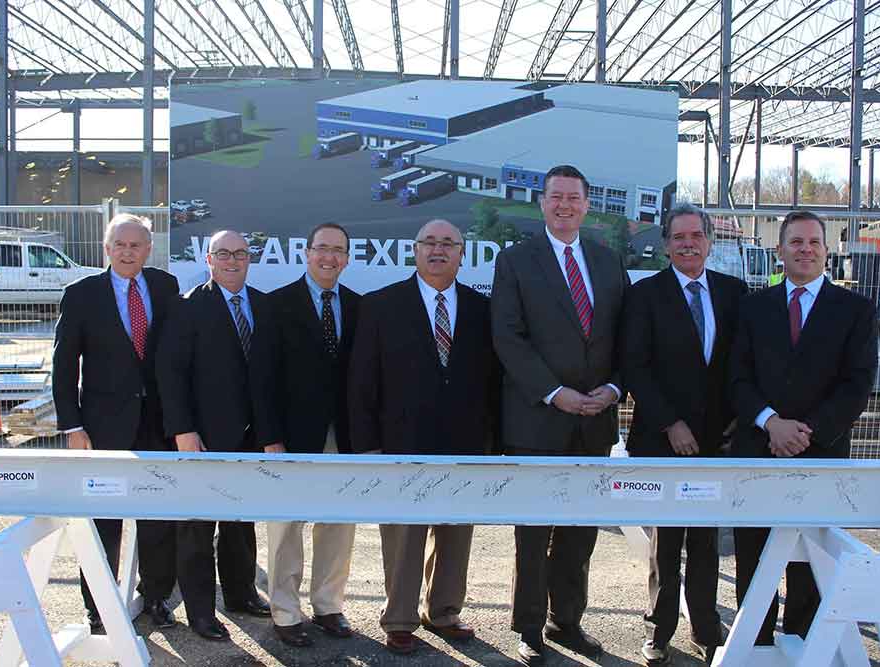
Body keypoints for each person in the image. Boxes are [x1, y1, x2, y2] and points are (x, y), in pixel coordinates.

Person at [490, 164, 629, 666]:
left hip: (595, 420)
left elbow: (624, 338)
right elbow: (508, 336)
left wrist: (613, 389)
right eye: (555, 197)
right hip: (538, 420)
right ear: (542, 203)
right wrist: (554, 392)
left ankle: (566, 621)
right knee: (533, 533)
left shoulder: (609, 262)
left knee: (580, 531)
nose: (565, 205)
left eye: (574, 197)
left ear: (587, 204)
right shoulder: (516, 261)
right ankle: (529, 628)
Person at [348, 219, 500, 655]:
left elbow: (492, 381)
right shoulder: (381, 305)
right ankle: (398, 619)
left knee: (456, 533)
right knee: (403, 535)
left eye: (448, 243)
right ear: (414, 251)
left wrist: (493, 443)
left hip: (466, 443)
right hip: (400, 443)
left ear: (461, 253)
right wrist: (368, 446)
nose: (438, 250)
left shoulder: (481, 308)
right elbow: (362, 382)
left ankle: (444, 611)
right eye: (429, 243)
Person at [729, 210, 878, 645]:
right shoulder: (753, 307)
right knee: (754, 556)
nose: (805, 249)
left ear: (827, 252)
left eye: (814, 242)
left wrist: (805, 431)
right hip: (758, 450)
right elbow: (736, 377)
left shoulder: (855, 310)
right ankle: (753, 644)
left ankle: (804, 642)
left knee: (810, 560)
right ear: (780, 251)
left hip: (821, 454)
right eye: (796, 242)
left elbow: (857, 385)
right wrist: (770, 423)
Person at [621, 203, 748, 666]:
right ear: (666, 244)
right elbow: (636, 366)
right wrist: (670, 423)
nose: (688, 243)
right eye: (679, 237)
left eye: (696, 235)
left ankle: (706, 627)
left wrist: (736, 420)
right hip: (662, 438)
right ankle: (659, 630)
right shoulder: (645, 295)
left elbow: (742, 365)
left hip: (716, 441)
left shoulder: (735, 293)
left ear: (710, 242)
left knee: (705, 540)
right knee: (666, 538)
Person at [52, 214, 179, 634]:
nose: (128, 252)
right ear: (107, 249)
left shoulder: (164, 286)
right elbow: (64, 365)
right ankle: (99, 609)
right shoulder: (82, 294)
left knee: (159, 519)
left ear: (148, 249)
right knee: (104, 521)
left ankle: (157, 597)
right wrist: (72, 427)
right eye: (120, 245)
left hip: (158, 423)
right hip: (103, 427)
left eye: (136, 245)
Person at [156, 230, 272, 641]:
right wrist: (183, 430)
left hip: (249, 437)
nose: (232, 260)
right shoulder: (187, 307)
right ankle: (201, 612)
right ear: (208, 259)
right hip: (201, 437)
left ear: (249, 259)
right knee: (198, 526)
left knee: (241, 521)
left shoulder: (263, 305)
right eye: (223, 253)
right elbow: (170, 374)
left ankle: (242, 595)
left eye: (240, 254)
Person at [250, 223, 361, 647]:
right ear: (307, 253)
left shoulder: (358, 306)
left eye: (338, 251)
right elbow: (261, 378)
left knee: (338, 523)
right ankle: (285, 612)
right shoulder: (277, 305)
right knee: (286, 526)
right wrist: (270, 436)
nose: (329, 257)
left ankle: (329, 606)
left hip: (344, 435)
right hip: (291, 435)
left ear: (347, 258)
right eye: (322, 249)